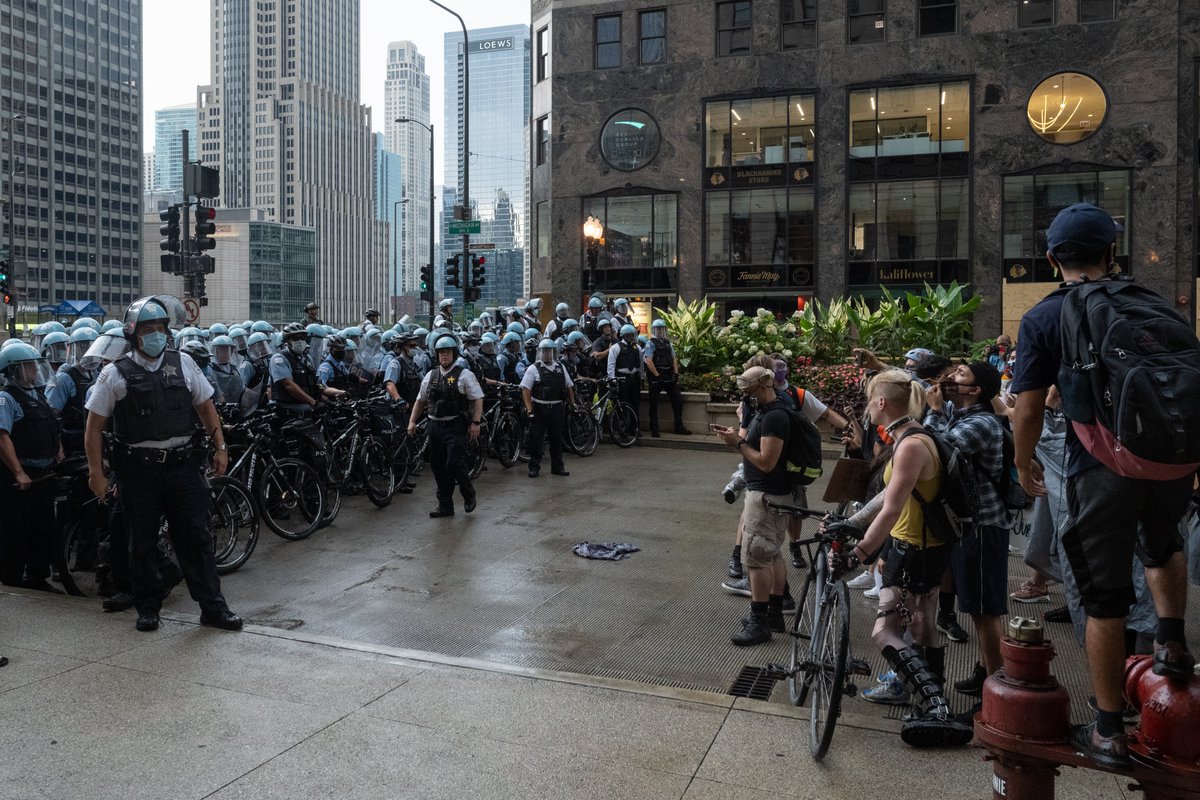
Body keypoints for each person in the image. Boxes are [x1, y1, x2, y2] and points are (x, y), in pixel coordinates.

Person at [1010, 202, 1194, 767]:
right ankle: (1172, 642)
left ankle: (1109, 727)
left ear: (1050, 259)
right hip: (1169, 461)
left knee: (1102, 597)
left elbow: (1027, 408)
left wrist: (1023, 464)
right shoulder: (1155, 303)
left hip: (1101, 467)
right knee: (1164, 545)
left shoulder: (1046, 316)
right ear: (1113, 253)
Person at [83, 296, 242, 633]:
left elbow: (205, 406)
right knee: (140, 543)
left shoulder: (184, 363)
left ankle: (213, 607)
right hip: (138, 472)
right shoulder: (114, 373)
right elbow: (93, 428)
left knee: (196, 539)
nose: (155, 334)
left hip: (183, 466)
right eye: (148, 329)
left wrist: (220, 446)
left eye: (160, 328)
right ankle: (148, 607)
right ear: (132, 333)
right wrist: (96, 473)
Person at [840, 369, 973, 747]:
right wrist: (852, 525)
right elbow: (886, 498)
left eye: (870, 400)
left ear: (882, 403)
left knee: (886, 631)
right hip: (918, 546)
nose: (867, 407)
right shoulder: (911, 436)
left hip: (914, 548)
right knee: (923, 626)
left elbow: (892, 508)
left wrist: (860, 552)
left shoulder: (911, 445)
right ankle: (929, 700)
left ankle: (935, 705)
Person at [923, 361, 1010, 702]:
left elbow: (933, 453)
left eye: (960, 375)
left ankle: (996, 691)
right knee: (976, 605)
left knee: (984, 611)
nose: (950, 379)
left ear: (975, 391)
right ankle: (987, 671)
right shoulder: (961, 414)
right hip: (971, 524)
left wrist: (932, 412)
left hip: (984, 527)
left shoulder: (980, 423)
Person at [711, 367, 792, 646]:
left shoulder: (774, 417)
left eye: (748, 389)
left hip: (766, 496)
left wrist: (738, 444)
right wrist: (738, 437)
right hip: (771, 494)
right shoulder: (769, 410)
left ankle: (760, 621)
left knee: (757, 557)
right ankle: (774, 612)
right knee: (771, 553)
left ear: (763, 385)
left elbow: (767, 462)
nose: (745, 395)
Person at [0, 343, 64, 593]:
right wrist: (18, 471)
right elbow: (3, 437)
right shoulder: (7, 399)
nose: (35, 371)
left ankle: (38, 576)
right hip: (21, 477)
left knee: (43, 528)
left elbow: (50, 425)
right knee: (17, 529)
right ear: (14, 371)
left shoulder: (37, 394)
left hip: (43, 474)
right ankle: (12, 577)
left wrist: (57, 450)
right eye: (28, 367)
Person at [407, 336, 484, 518]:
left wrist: (475, 422)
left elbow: (477, 398)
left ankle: (468, 493)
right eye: (441, 352)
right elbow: (420, 401)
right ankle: (445, 506)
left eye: (448, 352)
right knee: (438, 466)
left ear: (454, 354)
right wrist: (412, 421)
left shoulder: (464, 374)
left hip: (455, 425)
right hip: (434, 426)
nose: (444, 356)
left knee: (454, 463)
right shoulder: (430, 375)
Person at [521, 339, 574, 478]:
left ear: (554, 352)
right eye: (544, 352)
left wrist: (573, 404)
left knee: (556, 439)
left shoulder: (560, 367)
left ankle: (558, 467)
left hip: (557, 407)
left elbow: (569, 387)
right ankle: (534, 467)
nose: (547, 354)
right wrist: (529, 409)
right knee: (536, 440)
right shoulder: (534, 368)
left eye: (549, 351)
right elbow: (526, 389)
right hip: (539, 408)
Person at [270, 323, 346, 415]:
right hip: (289, 411)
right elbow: (288, 385)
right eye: (295, 338)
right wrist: (314, 402)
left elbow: (318, 384)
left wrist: (338, 393)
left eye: (302, 338)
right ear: (287, 340)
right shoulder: (280, 359)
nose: (300, 341)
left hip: (308, 408)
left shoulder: (307, 359)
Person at [48, 327, 100, 457]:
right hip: (73, 442)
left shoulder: (101, 374)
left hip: (96, 438)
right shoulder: (64, 378)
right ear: (73, 350)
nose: (88, 351)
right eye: (83, 347)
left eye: (93, 346)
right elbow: (52, 414)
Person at [642, 319, 691, 437]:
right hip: (656, 376)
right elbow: (648, 361)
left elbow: (674, 358)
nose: (659, 331)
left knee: (677, 400)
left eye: (661, 329)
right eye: (657, 329)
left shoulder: (668, 343)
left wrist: (676, 373)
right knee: (653, 403)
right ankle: (654, 428)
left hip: (668, 375)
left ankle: (679, 426)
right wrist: (657, 375)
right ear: (654, 330)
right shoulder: (650, 343)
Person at [608, 324, 643, 435]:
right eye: (628, 335)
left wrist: (642, 377)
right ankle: (622, 428)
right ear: (623, 335)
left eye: (632, 335)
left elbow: (641, 364)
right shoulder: (616, 347)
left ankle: (635, 428)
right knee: (622, 404)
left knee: (635, 403)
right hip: (622, 380)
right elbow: (611, 365)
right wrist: (612, 379)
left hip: (634, 379)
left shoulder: (637, 347)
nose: (630, 337)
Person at [209, 335, 245, 408]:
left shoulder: (233, 369)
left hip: (235, 407)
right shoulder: (211, 369)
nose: (225, 353)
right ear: (214, 351)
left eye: (227, 350)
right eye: (222, 350)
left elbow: (242, 387)